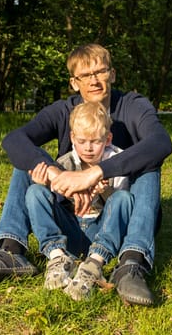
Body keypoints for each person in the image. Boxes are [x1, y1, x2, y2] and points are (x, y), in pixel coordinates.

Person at [0, 43, 172, 306]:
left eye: (100, 72)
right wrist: (55, 174)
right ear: (74, 82)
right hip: (71, 216)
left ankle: (131, 263)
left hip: (119, 216)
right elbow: (14, 139)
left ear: (112, 74)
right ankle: (11, 252)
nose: (94, 80)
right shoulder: (63, 110)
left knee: (149, 163)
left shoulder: (132, 106)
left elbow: (161, 142)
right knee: (30, 161)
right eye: (85, 75)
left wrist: (96, 173)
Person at [27, 101, 132, 301]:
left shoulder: (117, 162)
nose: (89, 148)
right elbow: (57, 202)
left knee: (123, 197)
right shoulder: (64, 163)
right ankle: (57, 257)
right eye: (82, 141)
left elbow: (123, 207)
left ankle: (94, 265)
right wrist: (45, 185)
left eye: (95, 141)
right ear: (73, 138)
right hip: (71, 229)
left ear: (108, 139)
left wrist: (106, 191)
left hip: (101, 230)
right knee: (35, 192)